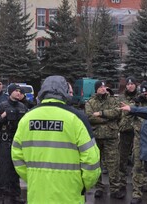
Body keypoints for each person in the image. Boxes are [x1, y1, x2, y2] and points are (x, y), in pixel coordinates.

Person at [11, 75, 101, 203]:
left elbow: (17, 156)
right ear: (65, 92)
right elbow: (91, 160)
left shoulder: (27, 118)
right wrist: (82, 185)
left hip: (38, 193)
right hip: (69, 194)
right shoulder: (76, 119)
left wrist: (33, 177)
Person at [0, 84, 27, 204]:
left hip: (18, 142)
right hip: (6, 141)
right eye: (16, 91)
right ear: (10, 92)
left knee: (16, 168)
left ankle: (16, 194)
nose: (18, 93)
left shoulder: (22, 106)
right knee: (4, 169)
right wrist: (3, 116)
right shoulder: (2, 106)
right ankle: (3, 195)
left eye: (19, 91)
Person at [85, 80, 122, 199]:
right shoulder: (90, 102)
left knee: (113, 163)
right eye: (100, 87)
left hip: (111, 136)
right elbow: (89, 117)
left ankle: (115, 188)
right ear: (96, 89)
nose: (103, 88)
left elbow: (117, 113)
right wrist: (107, 119)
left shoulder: (112, 100)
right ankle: (99, 187)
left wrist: (101, 113)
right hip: (96, 137)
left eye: (104, 86)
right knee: (97, 163)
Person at [118, 77, 147, 203]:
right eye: (128, 84)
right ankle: (122, 182)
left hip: (142, 134)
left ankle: (143, 185)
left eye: (132, 84)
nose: (130, 86)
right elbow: (122, 113)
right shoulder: (123, 98)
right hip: (126, 131)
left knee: (141, 161)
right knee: (123, 158)